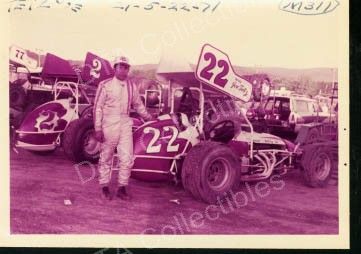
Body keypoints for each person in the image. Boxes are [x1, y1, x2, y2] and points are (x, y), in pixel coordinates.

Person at [93, 55, 153, 200]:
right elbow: (98, 108)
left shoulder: (132, 86)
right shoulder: (105, 85)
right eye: (120, 66)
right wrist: (98, 128)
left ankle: (122, 188)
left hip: (125, 123)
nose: (123, 69)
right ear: (115, 68)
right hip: (108, 124)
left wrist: (150, 118)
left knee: (126, 158)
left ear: (128, 69)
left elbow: (138, 105)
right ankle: (104, 187)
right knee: (106, 157)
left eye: (126, 67)